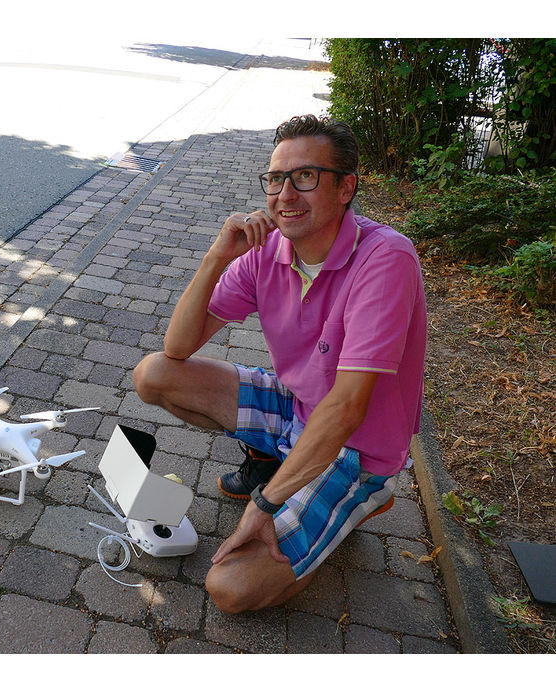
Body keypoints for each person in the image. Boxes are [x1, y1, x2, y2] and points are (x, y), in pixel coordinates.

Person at [132, 114, 427, 613]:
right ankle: (275, 462)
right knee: (154, 374)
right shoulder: (268, 249)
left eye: (305, 177)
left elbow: (348, 407)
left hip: (354, 450)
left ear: (345, 188)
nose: (285, 194)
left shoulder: (385, 259)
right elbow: (177, 348)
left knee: (230, 588)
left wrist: (265, 504)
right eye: (276, 178)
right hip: (299, 408)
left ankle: (361, 500)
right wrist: (214, 259)